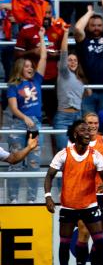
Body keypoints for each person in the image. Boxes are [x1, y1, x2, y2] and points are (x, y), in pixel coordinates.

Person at [45, 119, 103, 265]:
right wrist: (48, 196)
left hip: (89, 204)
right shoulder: (64, 154)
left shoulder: (96, 155)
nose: (88, 132)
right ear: (75, 134)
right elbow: (49, 175)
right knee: (64, 242)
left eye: (89, 130)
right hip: (68, 205)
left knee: (100, 240)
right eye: (83, 130)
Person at [6, 32, 47, 203]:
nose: (31, 68)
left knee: (34, 164)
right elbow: (13, 108)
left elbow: (43, 57)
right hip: (18, 124)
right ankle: (13, 198)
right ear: (20, 67)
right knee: (15, 163)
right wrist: (24, 118)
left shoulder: (36, 80)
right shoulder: (13, 86)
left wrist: (42, 37)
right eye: (27, 66)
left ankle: (32, 199)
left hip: (35, 124)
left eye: (32, 66)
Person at [73, 0, 103, 115]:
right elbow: (78, 28)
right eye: (93, 25)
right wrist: (89, 13)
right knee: (88, 124)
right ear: (88, 26)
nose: (96, 28)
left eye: (99, 25)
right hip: (87, 89)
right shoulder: (83, 39)